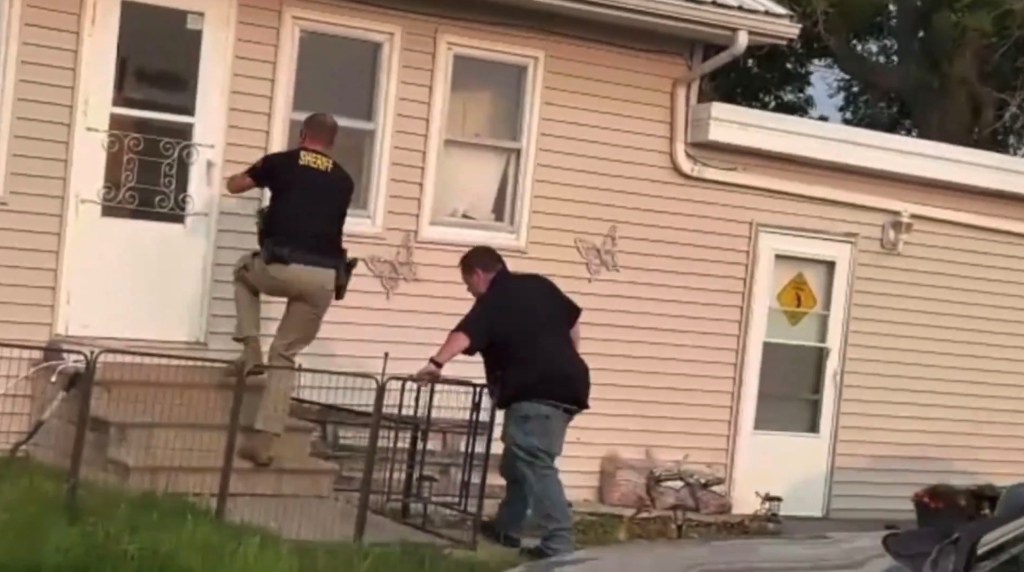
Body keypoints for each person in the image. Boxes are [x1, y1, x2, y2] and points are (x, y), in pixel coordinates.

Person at [415, 246, 590, 560]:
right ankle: (507, 526)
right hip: (570, 384)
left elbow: (463, 335)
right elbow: (573, 323)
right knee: (517, 460)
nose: (469, 290)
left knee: (536, 463)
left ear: (478, 275)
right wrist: (567, 359)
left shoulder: (492, 301)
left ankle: (559, 545)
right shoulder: (540, 284)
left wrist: (435, 363)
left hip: (535, 391)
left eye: (468, 283)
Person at [225, 112, 354, 467]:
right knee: (284, 355)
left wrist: (232, 178)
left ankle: (250, 350)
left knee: (241, 271)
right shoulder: (344, 180)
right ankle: (264, 442)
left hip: (283, 266)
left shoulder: (281, 162)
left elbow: (236, 186)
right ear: (331, 142)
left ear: (302, 135)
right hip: (326, 278)